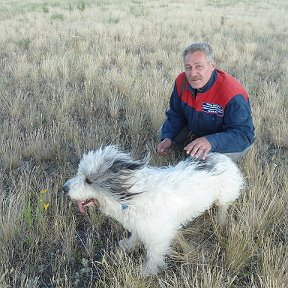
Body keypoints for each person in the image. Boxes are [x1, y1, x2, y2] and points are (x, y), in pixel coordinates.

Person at [156, 42, 254, 160]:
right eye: (188, 67)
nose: (193, 73)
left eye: (199, 66)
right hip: (198, 128)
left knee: (200, 160)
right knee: (163, 133)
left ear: (212, 66)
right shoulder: (181, 82)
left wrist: (211, 141)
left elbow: (244, 135)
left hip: (226, 138)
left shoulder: (232, 93)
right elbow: (176, 114)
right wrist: (168, 136)